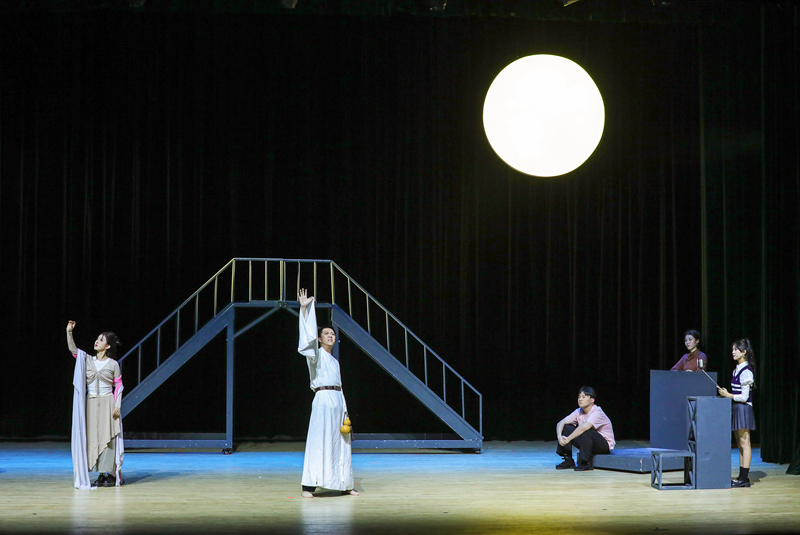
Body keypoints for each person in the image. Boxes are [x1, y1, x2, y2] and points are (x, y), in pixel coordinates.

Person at [297, 289, 359, 498]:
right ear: (320, 339)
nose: (330, 336)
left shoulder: (334, 361)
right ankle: (309, 486)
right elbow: (307, 339)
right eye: (326, 334)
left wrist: (345, 410)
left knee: (341, 442)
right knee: (320, 440)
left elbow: (339, 387)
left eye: (332, 333)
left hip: (337, 400)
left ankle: (344, 483)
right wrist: (304, 310)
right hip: (323, 400)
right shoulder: (316, 355)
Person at [66, 321, 124, 489]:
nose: (97, 341)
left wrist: (117, 405)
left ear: (107, 346)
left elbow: (119, 385)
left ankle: (109, 474)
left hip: (107, 402)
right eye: (97, 339)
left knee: (108, 437)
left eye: (101, 340)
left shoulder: (113, 364)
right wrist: (69, 332)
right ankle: (99, 473)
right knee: (93, 437)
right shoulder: (87, 360)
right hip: (91, 402)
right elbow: (73, 351)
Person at [717, 338, 756, 488]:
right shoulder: (737, 369)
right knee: (740, 444)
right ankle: (741, 477)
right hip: (736, 407)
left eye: (736, 350)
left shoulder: (746, 372)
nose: (733, 352)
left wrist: (728, 395)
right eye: (732, 349)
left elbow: (744, 397)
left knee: (745, 443)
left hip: (743, 408)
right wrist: (728, 395)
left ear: (744, 352)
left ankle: (744, 478)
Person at [555, 386, 615, 471]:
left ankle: (585, 462)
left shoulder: (597, 412)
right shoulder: (579, 411)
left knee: (587, 431)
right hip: (587, 442)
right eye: (579, 397)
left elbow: (584, 427)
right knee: (566, 427)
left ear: (592, 400)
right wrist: (560, 437)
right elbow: (560, 423)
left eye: (584, 397)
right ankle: (568, 460)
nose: (580, 399)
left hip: (604, 445)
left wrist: (568, 439)